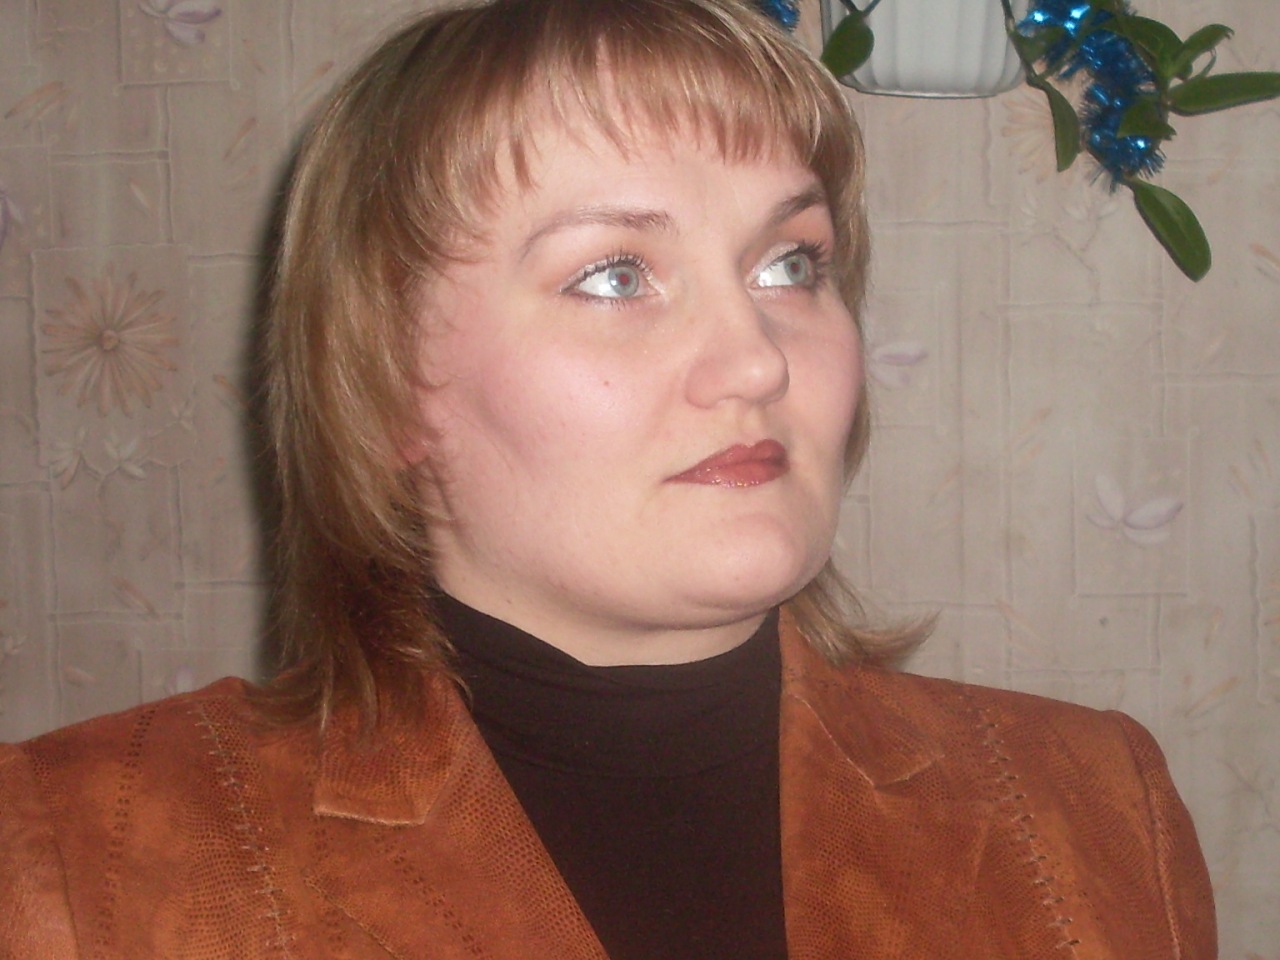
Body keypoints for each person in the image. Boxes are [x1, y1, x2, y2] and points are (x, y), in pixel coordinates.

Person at [0, 0, 1216, 957]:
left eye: (789, 263)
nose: (754, 359)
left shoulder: (1093, 809)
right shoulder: (74, 864)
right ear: (384, 386)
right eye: (614, 275)